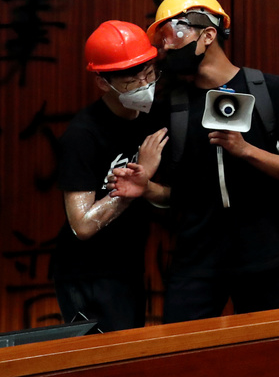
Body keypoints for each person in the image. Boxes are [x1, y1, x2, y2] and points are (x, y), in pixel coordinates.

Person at [111, 0, 279, 323]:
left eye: (173, 34)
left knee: (260, 348)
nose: (165, 47)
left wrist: (245, 150)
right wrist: (147, 189)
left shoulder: (270, 90)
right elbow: (178, 196)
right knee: (181, 347)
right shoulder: (171, 104)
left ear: (207, 35)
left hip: (260, 257)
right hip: (195, 262)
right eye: (161, 38)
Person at [51, 20, 168, 332]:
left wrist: (146, 186)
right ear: (103, 82)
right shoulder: (83, 135)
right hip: (86, 273)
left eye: (149, 74)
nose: (144, 85)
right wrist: (134, 184)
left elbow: (171, 196)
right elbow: (83, 225)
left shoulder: (155, 119)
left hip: (129, 265)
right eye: (131, 81)